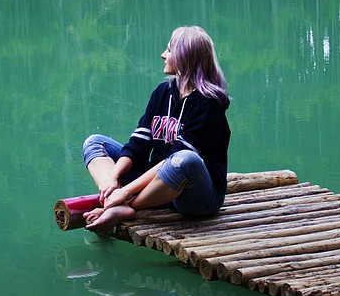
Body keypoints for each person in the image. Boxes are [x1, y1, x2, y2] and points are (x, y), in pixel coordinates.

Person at [82, 26, 231, 230]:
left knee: (185, 159)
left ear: (185, 57)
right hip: (157, 188)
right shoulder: (162, 92)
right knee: (95, 142)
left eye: (169, 50)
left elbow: (177, 159)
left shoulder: (209, 105)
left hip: (195, 197)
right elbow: (139, 143)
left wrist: (126, 193)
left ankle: (129, 206)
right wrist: (113, 179)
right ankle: (110, 196)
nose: (163, 55)